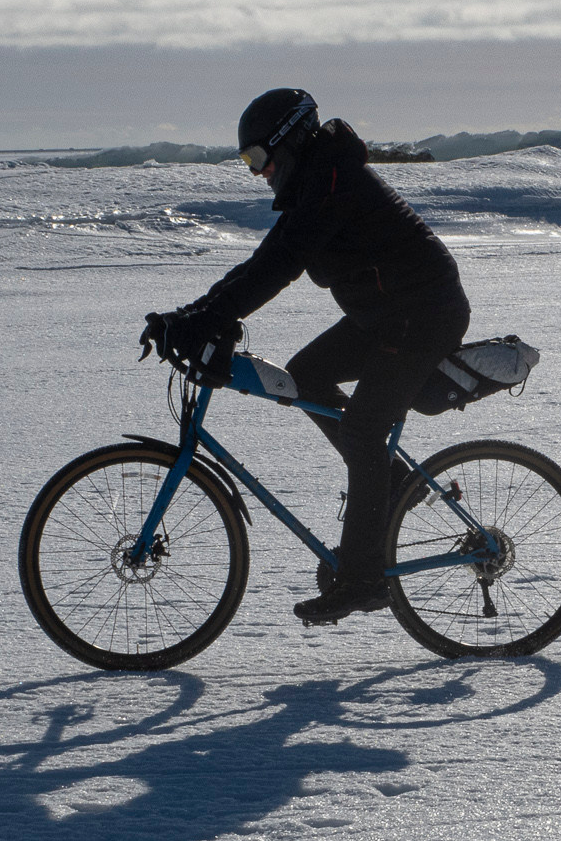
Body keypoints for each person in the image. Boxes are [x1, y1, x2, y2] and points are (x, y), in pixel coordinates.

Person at [147, 88, 470, 626]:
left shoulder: (333, 184)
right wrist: (191, 314)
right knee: (307, 375)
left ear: (290, 142)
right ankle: (388, 485)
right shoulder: (318, 181)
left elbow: (281, 265)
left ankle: (365, 580)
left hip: (422, 315)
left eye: (258, 158)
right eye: (248, 162)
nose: (258, 173)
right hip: (386, 314)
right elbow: (264, 260)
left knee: (365, 428)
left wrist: (207, 320)